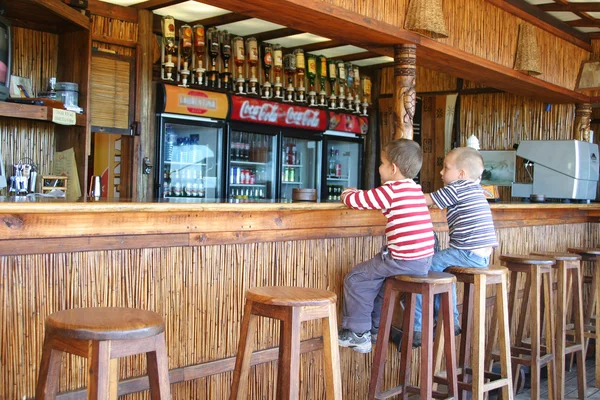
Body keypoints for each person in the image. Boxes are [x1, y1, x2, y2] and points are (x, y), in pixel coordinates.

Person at [337, 139, 435, 353]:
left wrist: (346, 192)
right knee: (380, 284)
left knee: (356, 278)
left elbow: (357, 200)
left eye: (381, 163)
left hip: (402, 259)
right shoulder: (416, 191)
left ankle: (357, 333)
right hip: (423, 261)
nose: (378, 168)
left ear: (393, 168)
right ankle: (373, 330)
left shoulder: (391, 190)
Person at [404, 146, 498, 348]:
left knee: (423, 269)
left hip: (465, 253)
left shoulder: (457, 187)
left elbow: (426, 201)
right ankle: (448, 318)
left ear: (461, 174)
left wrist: (400, 193)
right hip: (481, 256)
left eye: (446, 168)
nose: (441, 172)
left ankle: (419, 328)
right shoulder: (477, 189)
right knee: (440, 272)